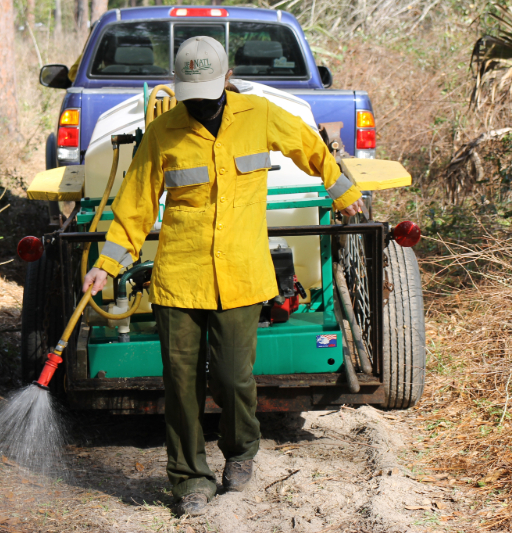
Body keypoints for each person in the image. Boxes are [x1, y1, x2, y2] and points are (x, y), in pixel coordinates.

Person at [82, 36, 364, 517]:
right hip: (180, 275)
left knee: (234, 378)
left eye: (209, 88)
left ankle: (241, 453)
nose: (200, 100)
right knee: (181, 384)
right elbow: (134, 206)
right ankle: (190, 479)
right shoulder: (163, 132)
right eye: (191, 91)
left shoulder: (259, 114)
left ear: (226, 77)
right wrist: (105, 263)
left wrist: (342, 190)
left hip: (240, 273)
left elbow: (309, 146)